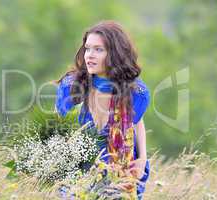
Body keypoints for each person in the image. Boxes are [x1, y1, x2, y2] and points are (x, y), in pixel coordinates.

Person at [55, 20, 150, 199]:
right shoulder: (71, 87)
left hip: (119, 172)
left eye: (98, 50)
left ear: (115, 54)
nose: (89, 55)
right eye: (87, 48)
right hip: (78, 176)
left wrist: (142, 158)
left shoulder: (136, 92)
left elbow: (136, 121)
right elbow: (58, 131)